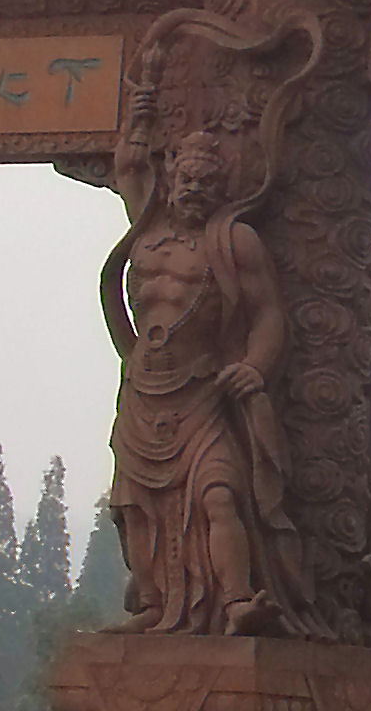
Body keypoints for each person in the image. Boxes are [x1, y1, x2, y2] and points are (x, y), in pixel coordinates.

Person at [104, 125, 311, 636]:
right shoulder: (146, 230)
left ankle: (237, 599)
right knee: (134, 505)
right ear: (171, 180)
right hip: (144, 391)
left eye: (206, 183)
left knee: (219, 493)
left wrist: (254, 366)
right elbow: (129, 163)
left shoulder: (233, 242)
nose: (195, 189)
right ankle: (151, 601)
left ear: (221, 190)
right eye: (187, 180)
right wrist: (141, 109)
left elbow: (269, 315)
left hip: (203, 391)